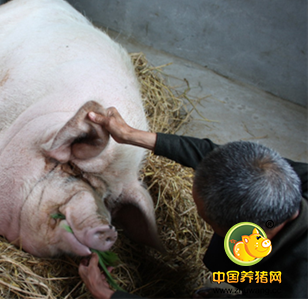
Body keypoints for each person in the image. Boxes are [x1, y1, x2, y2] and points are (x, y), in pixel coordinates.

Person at [79, 107, 307, 299]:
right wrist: (131, 135)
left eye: (205, 218)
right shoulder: (277, 174)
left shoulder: (289, 288)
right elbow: (221, 158)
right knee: (220, 257)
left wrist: (109, 295)